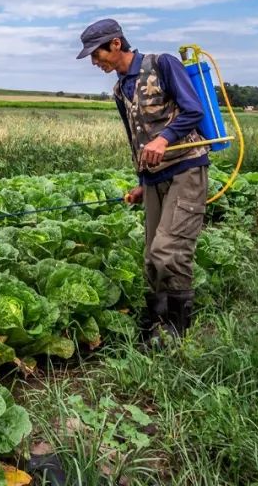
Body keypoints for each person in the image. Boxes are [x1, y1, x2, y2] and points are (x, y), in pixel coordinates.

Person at [76, 18, 209, 341]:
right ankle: (155, 323)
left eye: (97, 54)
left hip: (186, 168)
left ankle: (178, 329)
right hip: (153, 178)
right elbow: (135, 139)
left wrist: (164, 139)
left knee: (169, 251)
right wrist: (140, 181)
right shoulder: (121, 88)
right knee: (151, 256)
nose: (95, 62)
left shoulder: (162, 65)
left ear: (116, 44)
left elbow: (194, 111)